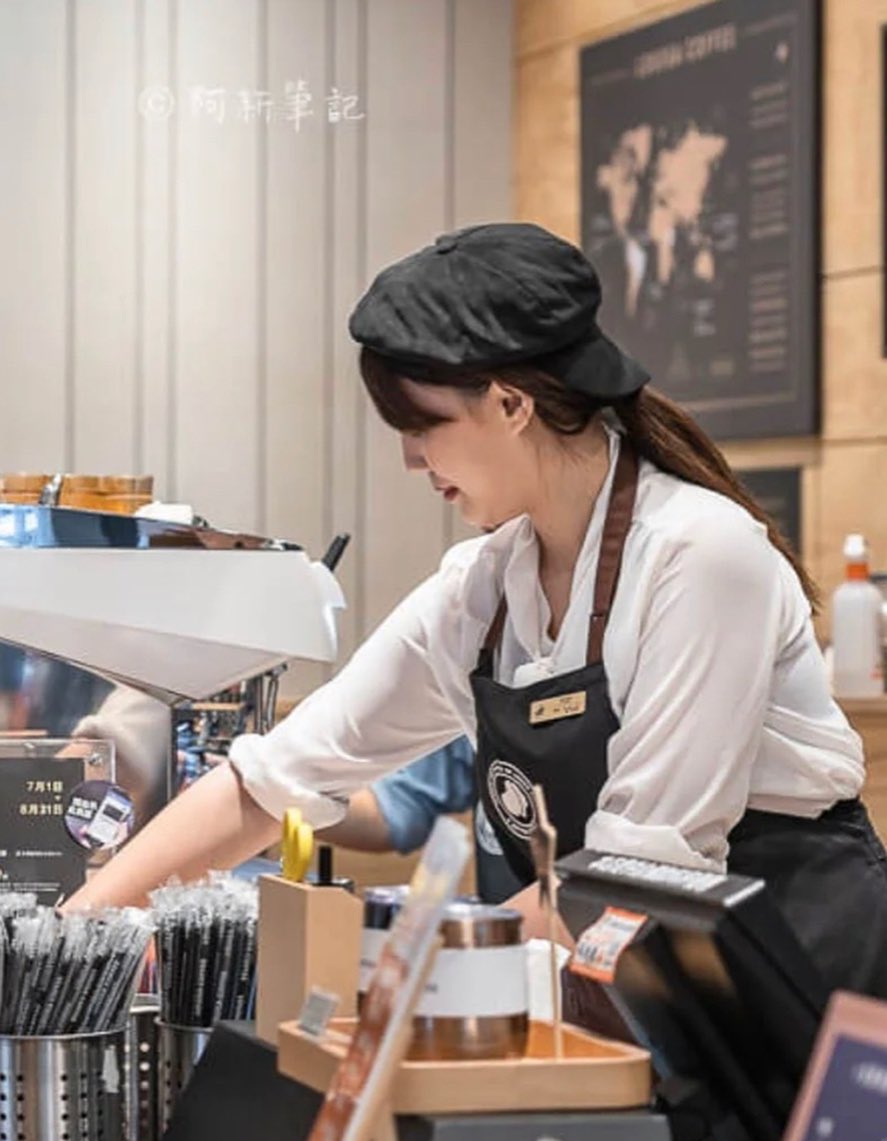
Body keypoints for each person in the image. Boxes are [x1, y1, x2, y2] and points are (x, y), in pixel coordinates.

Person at [64, 222, 887, 998]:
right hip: (619, 988)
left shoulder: (701, 554)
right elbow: (275, 781)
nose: (409, 458)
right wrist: (76, 934)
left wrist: (399, 969)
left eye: (422, 425)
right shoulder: (482, 587)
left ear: (509, 404)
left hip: (785, 989)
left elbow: (638, 873)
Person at [322, 736, 523, 903]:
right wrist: (307, 805)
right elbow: (402, 804)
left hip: (519, 928)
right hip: (500, 927)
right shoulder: (474, 702)